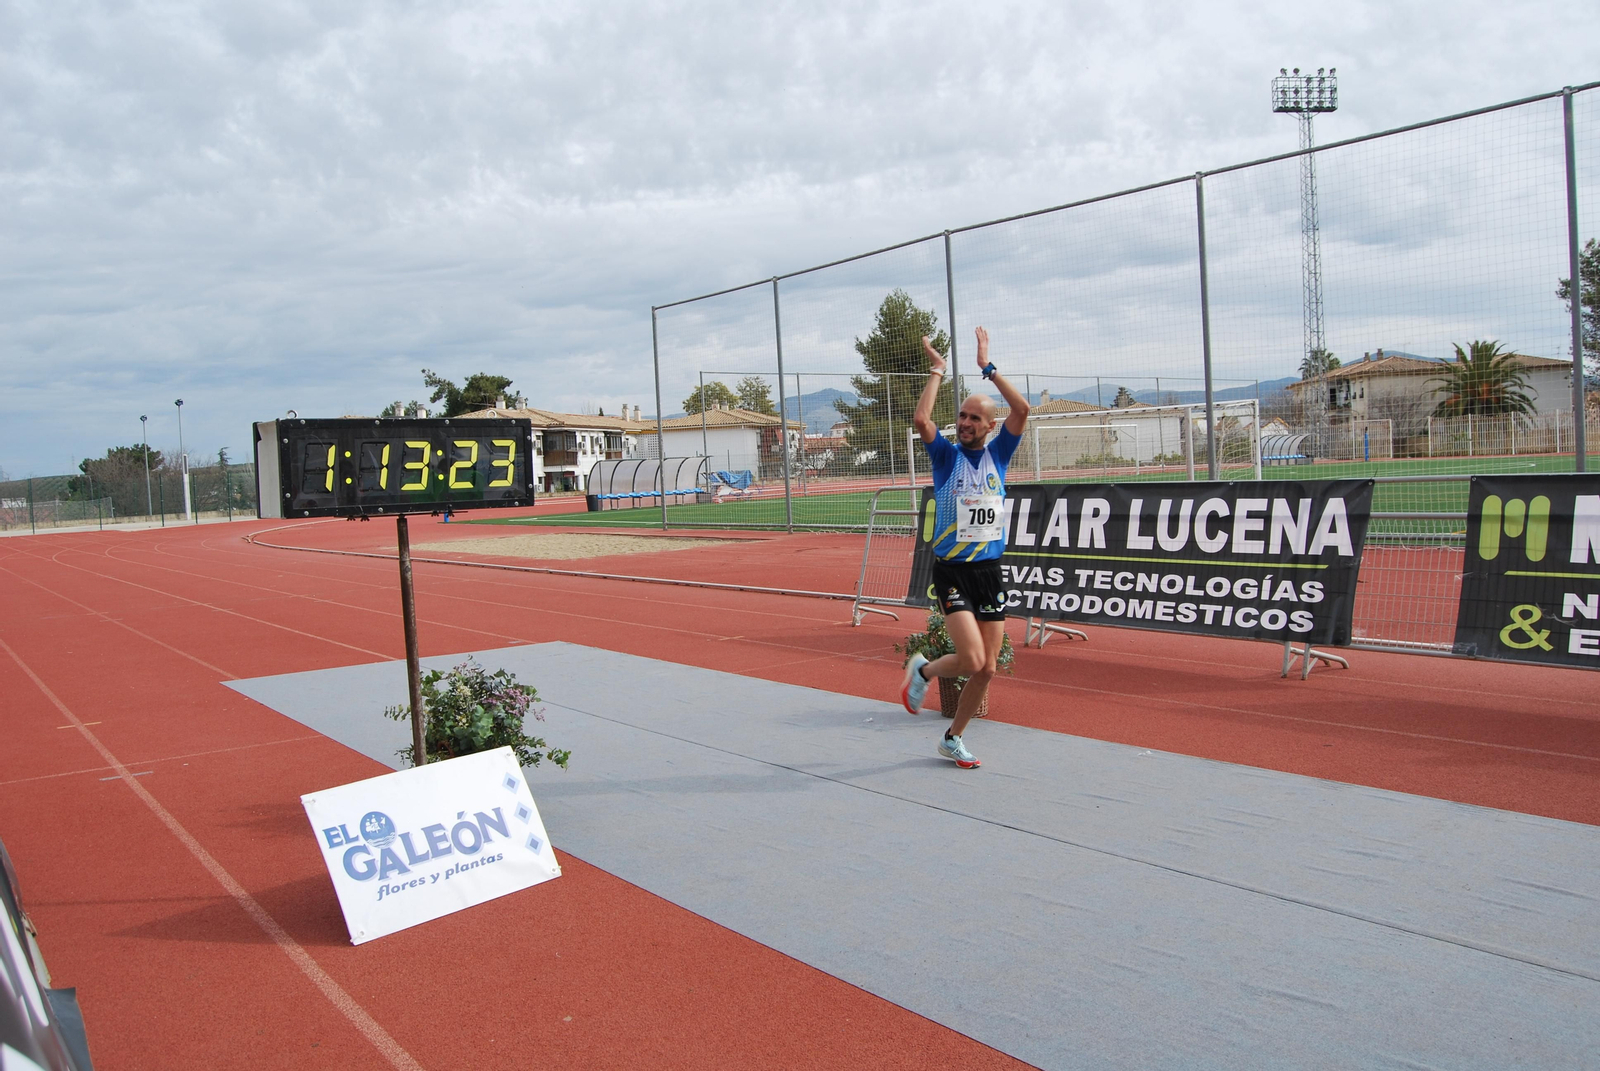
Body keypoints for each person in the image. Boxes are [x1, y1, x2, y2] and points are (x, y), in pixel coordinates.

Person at [899, 326, 1029, 769]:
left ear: (991, 426)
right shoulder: (946, 457)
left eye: (976, 418)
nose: (966, 423)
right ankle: (925, 670)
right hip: (952, 571)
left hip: (989, 572)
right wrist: (938, 372)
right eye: (963, 416)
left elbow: (1023, 408)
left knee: (988, 668)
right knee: (972, 657)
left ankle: (953, 738)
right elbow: (922, 421)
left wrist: (987, 368)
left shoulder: (1001, 453)